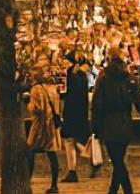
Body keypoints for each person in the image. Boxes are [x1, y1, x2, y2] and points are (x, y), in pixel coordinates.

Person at [91, 46, 140, 194]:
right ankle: (113, 190)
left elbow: (97, 104)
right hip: (125, 122)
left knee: (117, 160)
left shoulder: (103, 79)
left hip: (108, 123)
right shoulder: (129, 78)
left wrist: (95, 127)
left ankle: (127, 191)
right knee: (118, 158)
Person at [27, 64, 62, 194]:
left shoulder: (35, 90)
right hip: (51, 125)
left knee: (30, 150)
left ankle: (27, 181)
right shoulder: (51, 89)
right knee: (52, 154)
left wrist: (28, 104)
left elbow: (36, 108)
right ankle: (54, 184)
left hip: (40, 125)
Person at [61, 49, 93, 183]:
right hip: (80, 112)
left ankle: (76, 167)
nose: (64, 63)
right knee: (74, 140)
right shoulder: (82, 75)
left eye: (66, 61)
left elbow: (69, 94)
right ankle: (76, 167)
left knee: (69, 141)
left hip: (71, 112)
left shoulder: (72, 75)